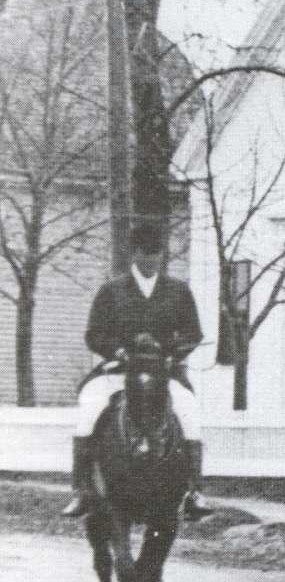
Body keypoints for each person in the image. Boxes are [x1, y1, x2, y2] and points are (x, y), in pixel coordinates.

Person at [63, 222, 212, 520]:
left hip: (163, 372)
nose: (151, 260)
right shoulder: (112, 291)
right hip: (118, 371)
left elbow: (193, 333)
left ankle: (193, 491)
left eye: (156, 254)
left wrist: (170, 351)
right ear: (134, 254)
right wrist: (118, 350)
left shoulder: (178, 291)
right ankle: (82, 489)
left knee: (190, 411)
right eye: (146, 254)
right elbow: (94, 334)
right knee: (88, 410)